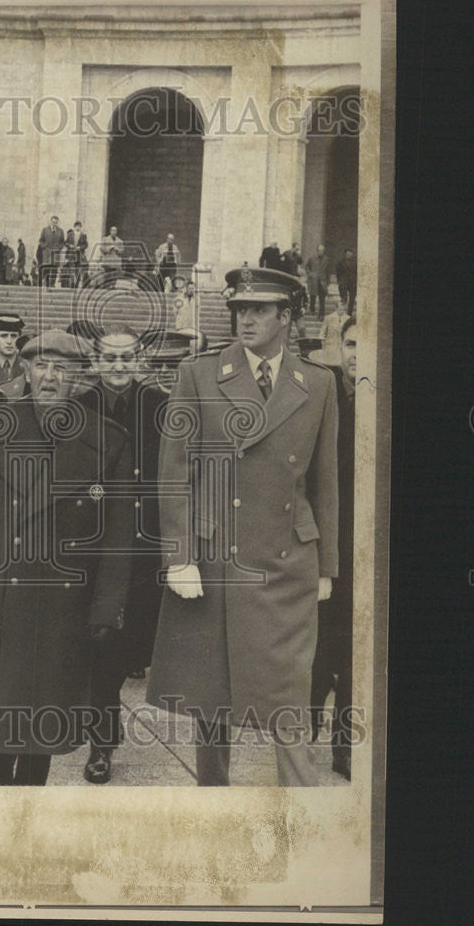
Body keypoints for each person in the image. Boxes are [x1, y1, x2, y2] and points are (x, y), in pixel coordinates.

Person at [146, 266, 339, 786]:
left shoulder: (318, 382)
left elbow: (325, 482)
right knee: (212, 694)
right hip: (216, 556)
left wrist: (328, 565)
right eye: (239, 310)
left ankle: (300, 803)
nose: (246, 320)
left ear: (286, 317)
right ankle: (214, 797)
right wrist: (180, 555)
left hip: (288, 560)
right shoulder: (199, 374)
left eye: (259, 311)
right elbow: (175, 471)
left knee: (289, 691)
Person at [0, 330, 132, 785]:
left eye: (62, 369)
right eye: (42, 365)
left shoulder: (107, 440)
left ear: (78, 378)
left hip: (62, 608)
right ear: (25, 369)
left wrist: (107, 606)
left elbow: (118, 536)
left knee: (41, 730)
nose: (50, 377)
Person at [80, 324, 167, 784]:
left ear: (140, 362)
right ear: (95, 362)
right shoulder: (77, 408)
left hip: (146, 547)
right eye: (109, 358)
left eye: (126, 357)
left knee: (132, 646)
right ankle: (101, 745)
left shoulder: (161, 407)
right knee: (102, 653)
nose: (118, 366)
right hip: (95, 549)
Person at [311, 316, 356, 780]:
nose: (359, 354)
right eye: (351, 343)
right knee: (318, 649)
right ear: (339, 347)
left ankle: (343, 746)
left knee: (354, 657)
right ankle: (306, 727)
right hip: (325, 543)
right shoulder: (324, 397)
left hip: (365, 549)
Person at [37, 215, 65, 288]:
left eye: (56, 222)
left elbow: (62, 242)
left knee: (54, 269)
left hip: (55, 254)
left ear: (57, 223)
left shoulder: (60, 231)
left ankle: (52, 284)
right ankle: (46, 284)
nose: (54, 223)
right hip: (47, 253)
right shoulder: (45, 230)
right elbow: (41, 240)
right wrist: (44, 246)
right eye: (53, 222)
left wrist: (59, 248)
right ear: (50, 222)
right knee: (46, 269)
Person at [63, 221, 88, 288]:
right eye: (76, 226)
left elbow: (86, 245)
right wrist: (70, 245)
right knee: (72, 269)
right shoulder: (70, 234)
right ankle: (72, 283)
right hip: (71, 255)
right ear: (74, 227)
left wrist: (80, 247)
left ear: (81, 227)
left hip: (79, 255)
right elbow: (65, 243)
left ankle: (76, 283)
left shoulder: (83, 235)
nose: (78, 228)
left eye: (79, 226)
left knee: (78, 270)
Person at [306, 244, 329, 316]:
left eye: (322, 251)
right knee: (313, 296)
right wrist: (310, 274)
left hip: (322, 281)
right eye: (320, 250)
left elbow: (328, 270)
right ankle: (312, 309)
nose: (321, 252)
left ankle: (321, 314)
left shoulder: (326, 259)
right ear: (317, 251)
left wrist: (327, 281)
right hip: (314, 280)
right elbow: (307, 267)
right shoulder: (312, 258)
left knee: (322, 298)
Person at [336, 248, 357, 316]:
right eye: (347, 254)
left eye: (350, 254)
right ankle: (343, 313)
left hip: (352, 283)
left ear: (352, 254)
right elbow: (338, 273)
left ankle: (349, 313)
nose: (349, 255)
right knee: (344, 298)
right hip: (343, 283)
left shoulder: (355, 263)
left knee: (352, 299)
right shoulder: (341, 262)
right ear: (345, 254)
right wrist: (340, 281)